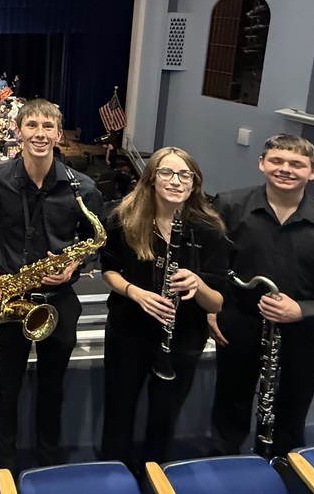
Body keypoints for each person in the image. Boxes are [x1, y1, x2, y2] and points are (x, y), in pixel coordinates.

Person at [208, 134, 314, 458]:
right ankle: (224, 469)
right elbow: (211, 268)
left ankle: (283, 470)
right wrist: (210, 308)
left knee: (289, 420)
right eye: (277, 161)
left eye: (296, 164)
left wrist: (302, 309)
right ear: (262, 163)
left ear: (312, 172)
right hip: (238, 327)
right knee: (229, 409)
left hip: (302, 338)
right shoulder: (228, 207)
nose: (285, 169)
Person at [0, 99, 105, 472]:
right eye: (32, 125)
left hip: (59, 300)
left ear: (59, 134)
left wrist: (76, 264)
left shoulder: (84, 188)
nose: (39, 133)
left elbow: (95, 240)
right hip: (12, 297)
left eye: (48, 126)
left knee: (52, 386)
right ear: (18, 130)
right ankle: (5, 464)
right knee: (7, 386)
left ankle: (48, 462)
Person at [98, 147, 227, 473]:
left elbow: (217, 302)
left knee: (164, 419)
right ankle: (115, 474)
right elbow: (109, 269)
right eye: (167, 173)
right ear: (152, 178)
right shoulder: (122, 218)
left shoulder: (209, 230)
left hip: (182, 340)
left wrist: (198, 285)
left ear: (194, 183)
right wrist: (135, 292)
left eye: (185, 175)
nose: (176, 181)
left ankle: (155, 477)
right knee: (118, 412)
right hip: (128, 333)